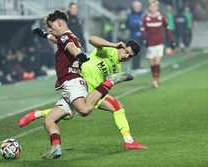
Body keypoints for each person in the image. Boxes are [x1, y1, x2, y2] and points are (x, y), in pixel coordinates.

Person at [30, 10, 134, 159]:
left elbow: (72, 48)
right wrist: (45, 35)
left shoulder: (66, 37)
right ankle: (56, 147)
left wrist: (78, 55)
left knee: (84, 110)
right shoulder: (68, 36)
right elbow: (60, 41)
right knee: (49, 120)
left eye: (50, 27)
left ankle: (111, 81)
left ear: (59, 24)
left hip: (72, 81)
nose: (49, 30)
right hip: (67, 86)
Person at [18, 35, 146, 156]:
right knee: (77, 113)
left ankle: (38, 114)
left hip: (93, 92)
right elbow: (92, 39)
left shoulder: (117, 67)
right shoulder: (109, 50)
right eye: (126, 52)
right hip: (80, 85)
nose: (126, 56)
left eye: (130, 56)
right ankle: (129, 141)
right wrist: (113, 45)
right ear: (123, 47)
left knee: (74, 114)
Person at [141, 0, 175, 88]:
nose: (153, 8)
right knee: (152, 63)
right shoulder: (146, 18)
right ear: (149, 7)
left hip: (159, 43)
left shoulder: (161, 17)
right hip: (150, 43)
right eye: (151, 6)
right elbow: (143, 30)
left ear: (157, 7)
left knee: (157, 61)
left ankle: (155, 79)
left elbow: (167, 29)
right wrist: (144, 39)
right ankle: (155, 78)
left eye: (154, 6)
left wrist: (171, 40)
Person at [126, 0, 145, 72]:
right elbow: (130, 25)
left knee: (139, 51)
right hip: (134, 36)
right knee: (134, 51)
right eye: (136, 6)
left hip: (141, 36)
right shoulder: (130, 15)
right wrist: (138, 24)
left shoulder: (142, 14)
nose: (138, 8)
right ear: (133, 7)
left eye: (139, 6)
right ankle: (135, 66)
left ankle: (138, 66)